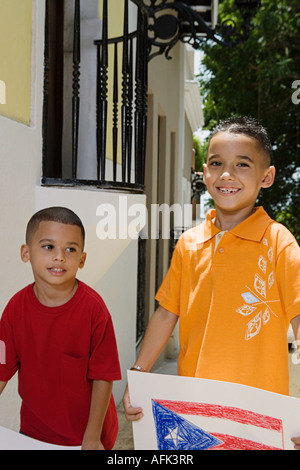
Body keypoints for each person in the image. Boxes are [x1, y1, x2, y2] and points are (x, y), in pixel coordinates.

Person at [123, 116, 300, 448]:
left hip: (260, 414)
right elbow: (166, 313)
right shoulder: (189, 243)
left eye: (242, 164)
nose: (227, 174)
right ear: (205, 172)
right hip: (195, 409)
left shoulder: (279, 242)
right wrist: (139, 373)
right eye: (217, 163)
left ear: (267, 176)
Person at [0, 207, 121, 450]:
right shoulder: (15, 310)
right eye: (48, 247)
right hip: (34, 433)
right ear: (26, 253)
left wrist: (92, 437)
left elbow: (103, 377)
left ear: (82, 259)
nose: (59, 257)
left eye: (70, 249)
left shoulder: (94, 310)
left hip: (87, 437)